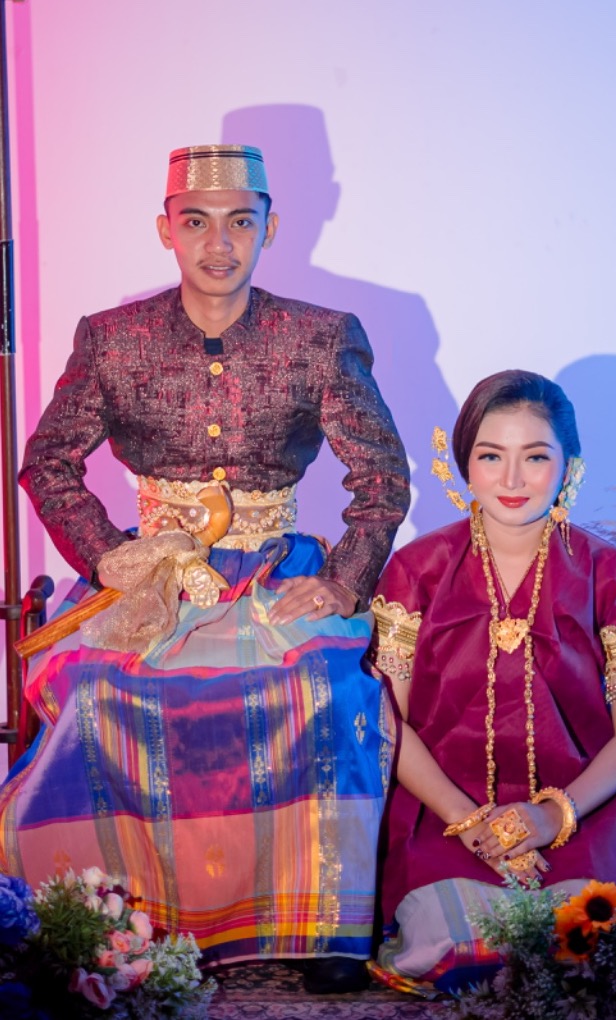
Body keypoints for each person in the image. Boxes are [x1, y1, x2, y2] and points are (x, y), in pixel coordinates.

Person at [0, 145, 410, 993]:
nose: (218, 244)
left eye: (239, 223)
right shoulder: (113, 339)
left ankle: (321, 925)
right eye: (196, 222)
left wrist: (342, 581)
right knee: (93, 693)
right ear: (166, 230)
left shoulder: (320, 337)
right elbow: (47, 463)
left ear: (270, 228)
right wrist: (110, 558)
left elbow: (381, 474)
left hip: (274, 570)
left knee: (322, 686)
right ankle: (100, 921)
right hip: (152, 580)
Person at [369, 369, 616, 995]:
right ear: (464, 464)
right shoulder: (417, 570)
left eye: (535, 457)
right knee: (445, 942)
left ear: (569, 467)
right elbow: (387, 720)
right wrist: (469, 822)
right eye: (491, 456)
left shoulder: (608, 572)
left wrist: (552, 816)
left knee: (591, 935)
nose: (511, 480)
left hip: (588, 811)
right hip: (446, 812)